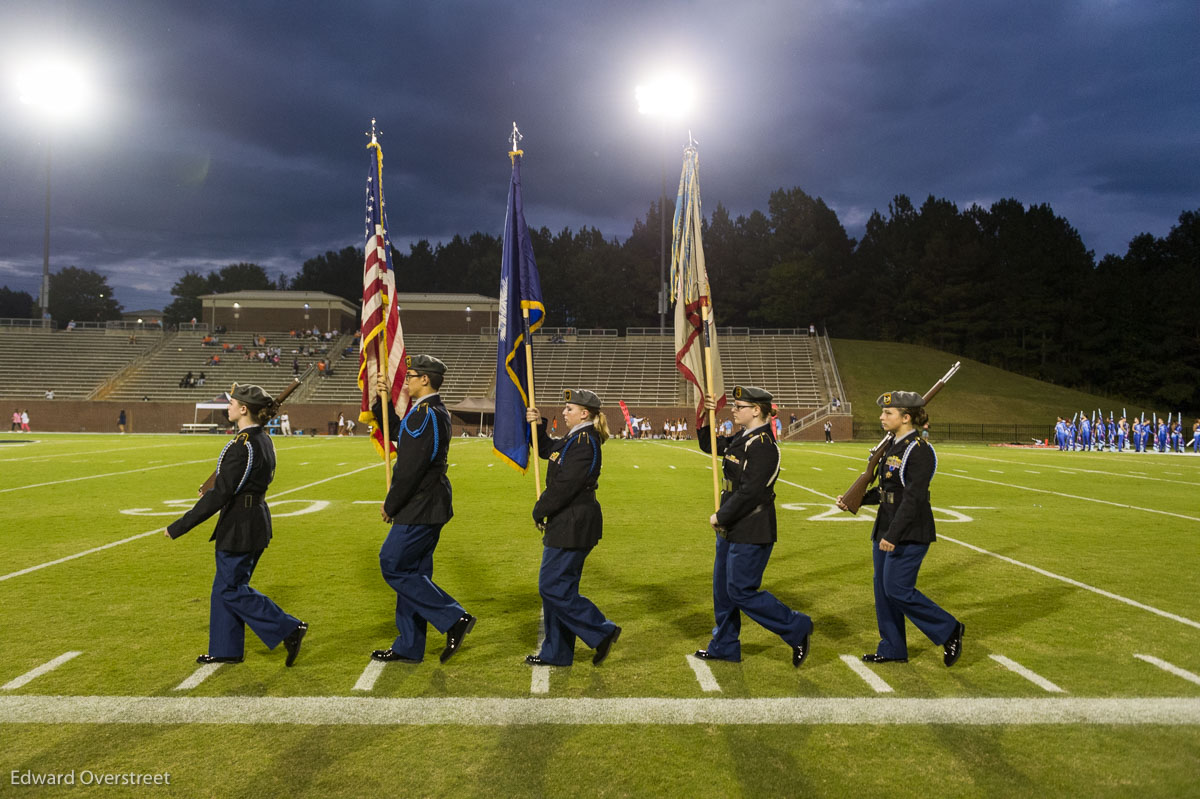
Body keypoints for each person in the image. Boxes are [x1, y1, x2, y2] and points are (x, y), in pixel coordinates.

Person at [164, 384, 308, 667]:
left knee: (231, 588)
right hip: (254, 520)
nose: (227, 407)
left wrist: (181, 525)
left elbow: (221, 494)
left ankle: (289, 628)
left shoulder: (243, 445)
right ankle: (225, 648)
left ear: (243, 409)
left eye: (232, 403)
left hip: (240, 525)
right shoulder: (261, 439)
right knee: (225, 587)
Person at [835, 391, 963, 667]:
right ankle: (892, 647)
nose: (882, 417)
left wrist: (893, 536)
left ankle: (949, 629)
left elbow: (914, 498)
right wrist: (853, 500)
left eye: (888, 413)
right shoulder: (893, 445)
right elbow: (887, 491)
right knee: (883, 590)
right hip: (886, 526)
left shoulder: (919, 451)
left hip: (908, 532)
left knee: (897, 589)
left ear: (906, 418)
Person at [693, 386, 812, 667]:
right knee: (722, 591)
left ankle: (797, 627)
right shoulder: (743, 438)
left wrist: (721, 516)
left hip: (751, 525)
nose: (733, 410)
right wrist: (704, 417)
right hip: (732, 525)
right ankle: (724, 645)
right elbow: (709, 445)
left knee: (740, 590)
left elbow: (751, 492)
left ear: (756, 410)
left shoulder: (762, 446)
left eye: (739, 406)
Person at [370, 355, 476, 664]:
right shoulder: (427, 412)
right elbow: (398, 433)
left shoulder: (426, 414)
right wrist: (382, 401)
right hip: (429, 502)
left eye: (412, 375)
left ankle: (454, 618)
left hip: (420, 504)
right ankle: (409, 646)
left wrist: (391, 504)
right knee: (413, 574)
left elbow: (410, 467)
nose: (407, 380)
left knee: (392, 563)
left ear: (425, 380)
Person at [523, 389, 621, 667]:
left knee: (552, 586)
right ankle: (557, 652)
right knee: (559, 587)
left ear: (584, 413)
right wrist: (537, 424)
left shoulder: (584, 441)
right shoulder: (574, 438)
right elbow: (547, 452)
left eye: (569, 409)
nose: (564, 412)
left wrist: (540, 508)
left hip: (574, 522)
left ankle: (602, 630)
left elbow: (566, 486)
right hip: (568, 521)